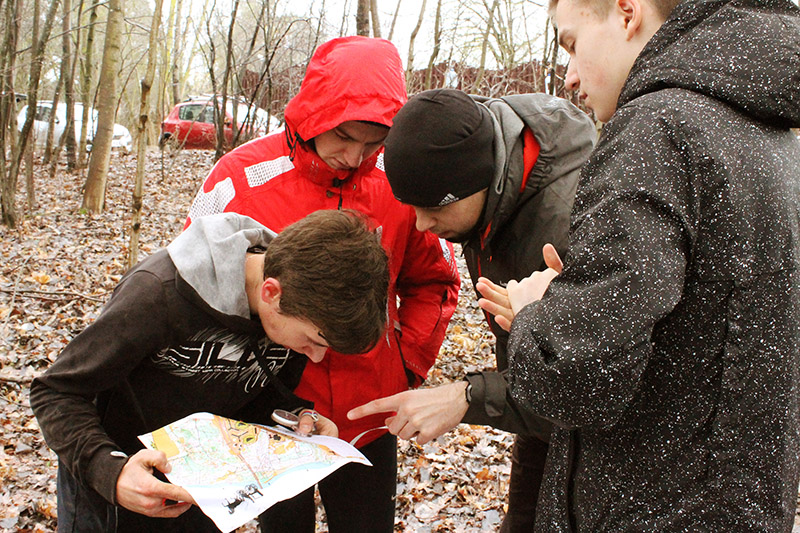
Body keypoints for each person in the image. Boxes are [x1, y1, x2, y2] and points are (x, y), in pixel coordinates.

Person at [475, 0, 800, 529]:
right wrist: (584, 293)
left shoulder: (657, 128)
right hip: (738, 499)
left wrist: (538, 312)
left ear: (627, 13)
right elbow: (713, 320)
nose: (571, 77)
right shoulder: (766, 128)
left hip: (649, 507)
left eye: (572, 44)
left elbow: (578, 381)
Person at [186, 36, 460, 532]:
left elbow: (435, 283)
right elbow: (191, 286)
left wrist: (406, 365)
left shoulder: (399, 185)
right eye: (345, 137)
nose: (356, 156)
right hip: (270, 413)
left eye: (373, 141)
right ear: (316, 114)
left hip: (366, 417)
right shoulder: (239, 178)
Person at [29, 209, 390, 532]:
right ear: (271, 292)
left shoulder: (297, 307)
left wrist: (294, 419)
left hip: (201, 492)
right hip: (112, 487)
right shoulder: (158, 294)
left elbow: (255, 397)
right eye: (314, 340)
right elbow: (56, 392)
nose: (314, 357)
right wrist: (111, 472)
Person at [347, 88, 596, 530]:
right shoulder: (483, 160)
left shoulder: (569, 222)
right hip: (532, 399)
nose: (423, 226)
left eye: (430, 209)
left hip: (589, 430)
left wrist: (465, 397)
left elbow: (586, 384)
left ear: (477, 182)